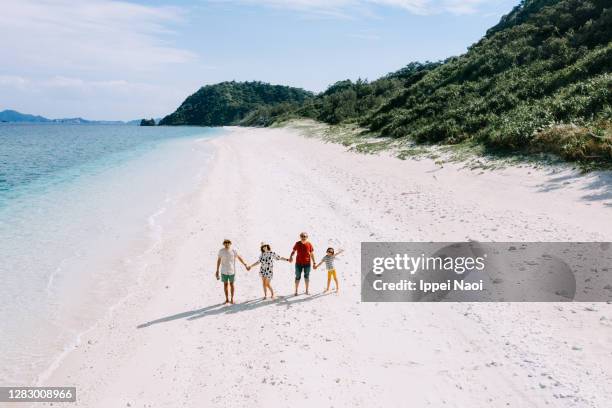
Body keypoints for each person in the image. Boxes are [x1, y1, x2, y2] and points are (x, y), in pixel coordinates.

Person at [215, 239, 248, 304]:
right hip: (223, 271)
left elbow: (239, 258)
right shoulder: (221, 251)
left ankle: (232, 299)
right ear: (223, 244)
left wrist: (245, 264)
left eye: (228, 243)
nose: (227, 244)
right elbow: (218, 260)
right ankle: (227, 299)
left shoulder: (233, 250)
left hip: (232, 270)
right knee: (225, 285)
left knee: (232, 284)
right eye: (225, 243)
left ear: (230, 243)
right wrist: (217, 270)